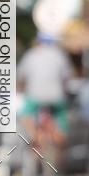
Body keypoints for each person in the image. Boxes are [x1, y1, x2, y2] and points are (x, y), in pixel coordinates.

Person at [17, 31, 74, 164]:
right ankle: (60, 139)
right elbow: (67, 78)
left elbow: (20, 77)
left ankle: (33, 136)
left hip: (34, 97)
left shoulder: (31, 55)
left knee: (24, 114)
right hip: (56, 97)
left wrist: (22, 89)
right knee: (61, 117)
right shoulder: (60, 56)